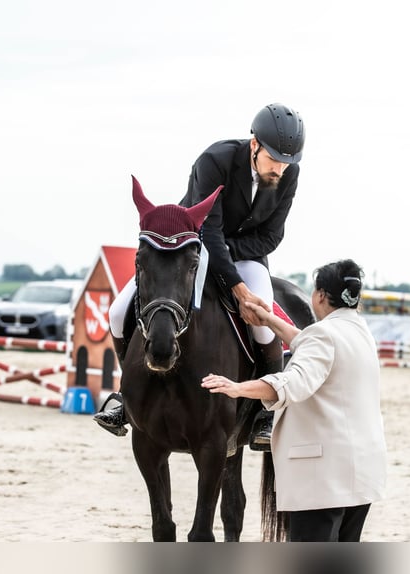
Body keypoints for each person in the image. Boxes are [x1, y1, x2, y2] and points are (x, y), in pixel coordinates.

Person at [95, 103, 306, 446]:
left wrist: (231, 256)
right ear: (255, 145)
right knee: (118, 311)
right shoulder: (215, 161)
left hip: (248, 257)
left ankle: (266, 412)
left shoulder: (288, 174)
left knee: (261, 317)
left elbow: (273, 235)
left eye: (287, 163)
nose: (280, 169)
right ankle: (125, 398)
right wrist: (233, 284)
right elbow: (209, 231)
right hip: (191, 249)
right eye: (274, 160)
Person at [201, 259, 387, 542]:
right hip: (361, 477)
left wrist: (237, 387)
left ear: (321, 295)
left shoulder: (324, 336)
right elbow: (309, 342)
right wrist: (269, 320)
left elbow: (290, 383)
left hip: (323, 483)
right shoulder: (359, 331)